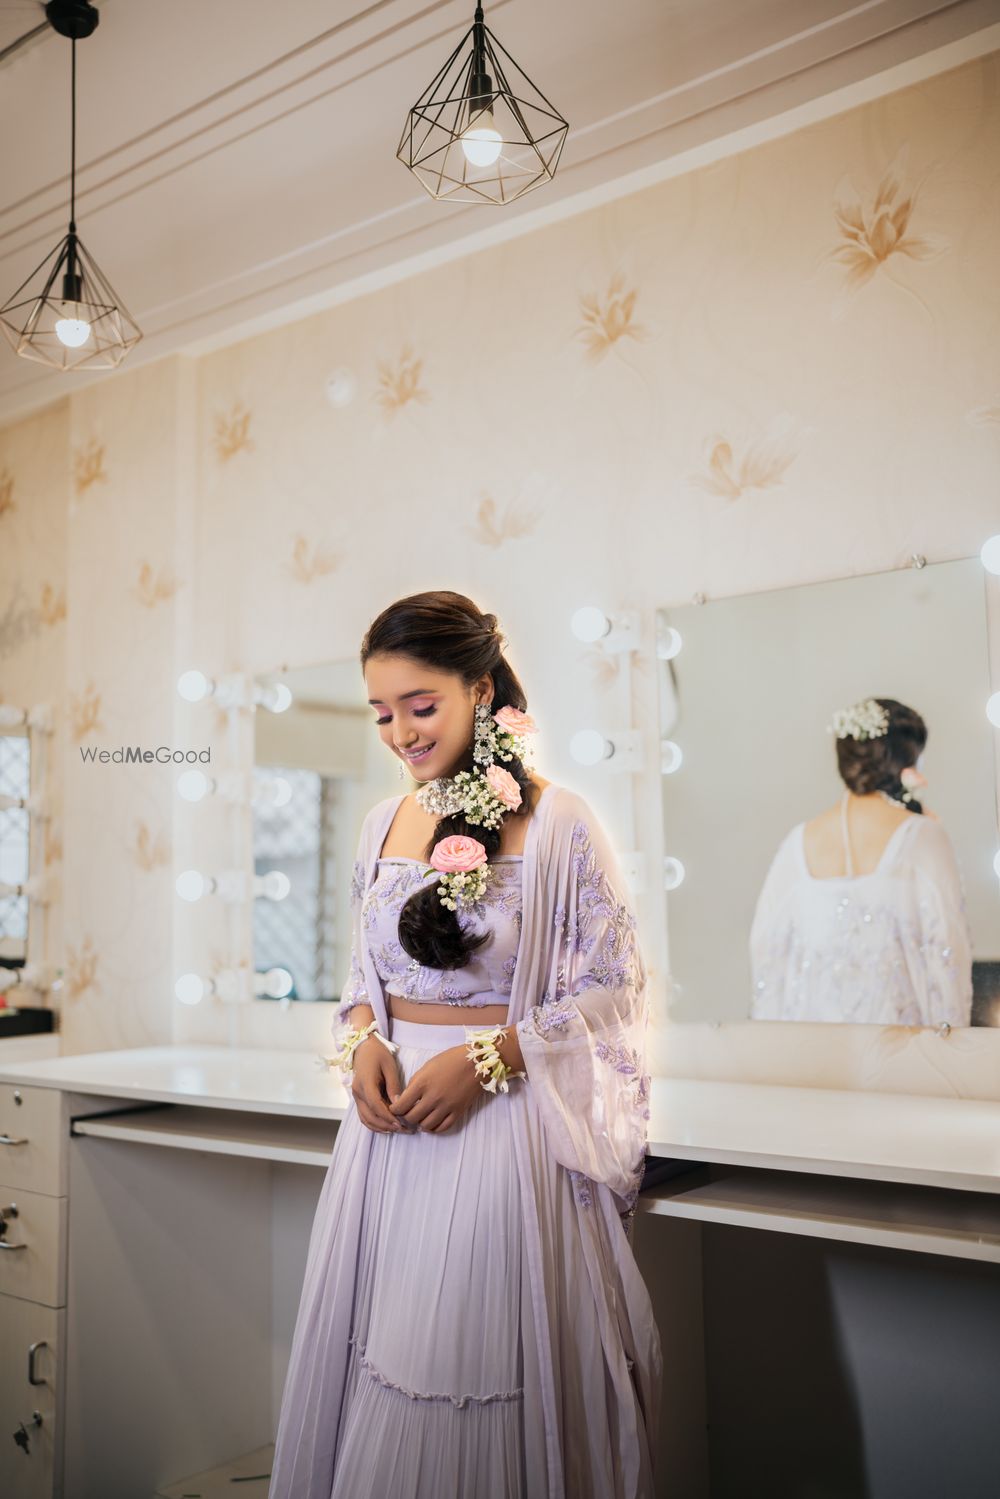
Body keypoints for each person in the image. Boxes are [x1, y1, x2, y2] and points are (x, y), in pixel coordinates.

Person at [268, 590, 661, 1498]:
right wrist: (361, 1040)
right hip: (389, 1140)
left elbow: (612, 990)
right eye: (382, 713)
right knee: (382, 1361)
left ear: (479, 690)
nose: (401, 732)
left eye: (421, 704)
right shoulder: (381, 823)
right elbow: (364, 980)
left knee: (465, 1364)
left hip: (500, 1139)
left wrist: (492, 1062)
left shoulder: (560, 822)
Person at [750, 696, 973, 1026]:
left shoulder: (797, 842)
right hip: (902, 1054)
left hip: (813, 1057)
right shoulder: (923, 835)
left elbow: (767, 953)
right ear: (906, 762)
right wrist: (954, 1048)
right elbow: (948, 952)